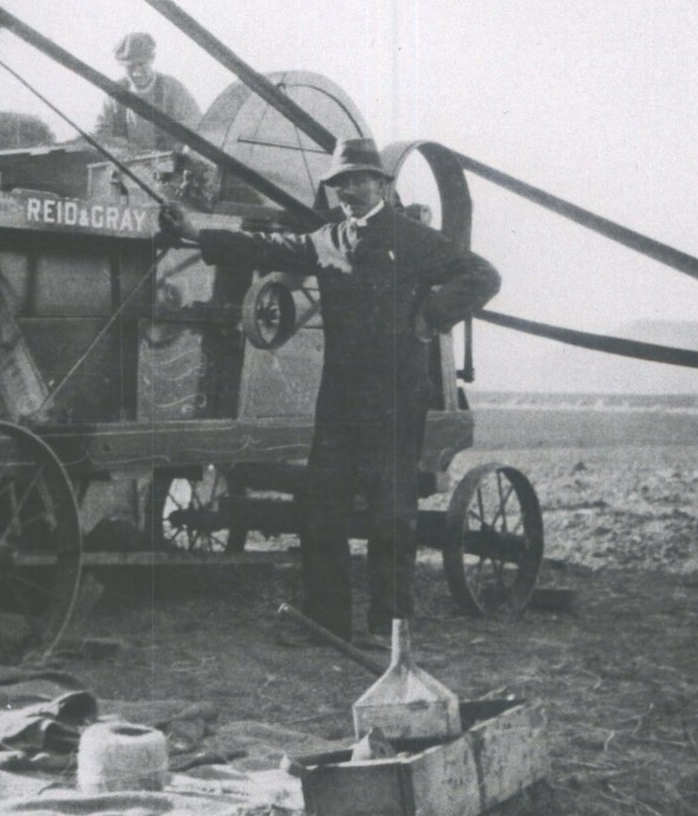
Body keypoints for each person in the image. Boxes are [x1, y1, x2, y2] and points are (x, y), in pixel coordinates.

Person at [159, 138, 501, 644]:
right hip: (339, 395)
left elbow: (483, 275)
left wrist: (430, 316)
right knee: (322, 509)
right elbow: (265, 248)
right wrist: (194, 230)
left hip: (394, 395)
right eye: (340, 184)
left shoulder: (414, 238)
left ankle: (389, 627)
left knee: (390, 513)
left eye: (359, 181)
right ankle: (327, 621)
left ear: (382, 184)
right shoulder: (328, 239)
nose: (349, 192)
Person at [93, 32, 204, 152]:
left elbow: (198, 126)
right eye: (130, 67)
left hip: (172, 164)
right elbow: (101, 135)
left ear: (152, 59)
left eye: (141, 64)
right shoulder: (115, 95)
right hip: (128, 165)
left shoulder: (172, 88)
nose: (136, 72)